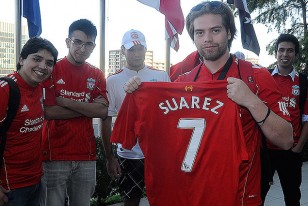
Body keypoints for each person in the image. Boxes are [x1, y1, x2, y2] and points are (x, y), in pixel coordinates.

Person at [119, 1, 294, 205]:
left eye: (215, 30)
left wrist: (252, 101)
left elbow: (286, 140)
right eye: (200, 32)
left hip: (242, 194)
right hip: (194, 194)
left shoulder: (256, 76)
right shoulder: (182, 83)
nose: (208, 39)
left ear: (229, 32)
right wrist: (138, 93)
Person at [40, 19, 108, 206]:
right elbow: (48, 111)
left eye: (88, 44)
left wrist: (66, 102)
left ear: (93, 46)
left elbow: (102, 111)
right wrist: (87, 108)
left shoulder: (97, 74)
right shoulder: (52, 69)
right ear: (68, 42)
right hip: (54, 155)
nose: (82, 48)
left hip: (85, 156)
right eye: (77, 42)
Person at [102, 29, 170, 206]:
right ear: (123, 50)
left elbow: (170, 116)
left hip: (157, 152)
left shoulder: (161, 76)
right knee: (131, 200)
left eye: (140, 49)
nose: (136, 54)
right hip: (128, 153)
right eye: (131, 49)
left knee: (163, 196)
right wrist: (110, 158)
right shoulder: (112, 81)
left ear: (146, 50)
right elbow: (106, 119)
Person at [0, 37, 58, 206]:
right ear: (21, 59)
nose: (43, 67)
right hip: (10, 186)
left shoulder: (39, 88)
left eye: (49, 63)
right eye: (37, 59)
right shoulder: (6, 90)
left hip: (35, 180)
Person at [261, 34, 308, 206]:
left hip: (291, 150)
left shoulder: (303, 81)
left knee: (292, 197)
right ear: (275, 53)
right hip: (266, 150)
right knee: (258, 194)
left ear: (295, 54)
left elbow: (306, 118)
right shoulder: (264, 77)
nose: (285, 54)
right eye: (281, 50)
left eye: (290, 51)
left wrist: (299, 148)